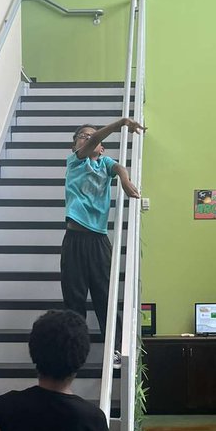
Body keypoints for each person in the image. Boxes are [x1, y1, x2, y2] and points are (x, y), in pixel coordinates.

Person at [62, 117, 144, 362]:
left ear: (103, 149)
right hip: (75, 239)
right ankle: (73, 353)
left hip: (98, 241)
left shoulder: (105, 163)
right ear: (75, 146)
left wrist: (125, 180)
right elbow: (96, 139)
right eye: (82, 137)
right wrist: (118, 125)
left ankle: (117, 349)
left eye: (91, 137)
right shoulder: (75, 162)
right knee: (74, 299)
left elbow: (118, 167)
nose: (88, 138)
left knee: (105, 297)